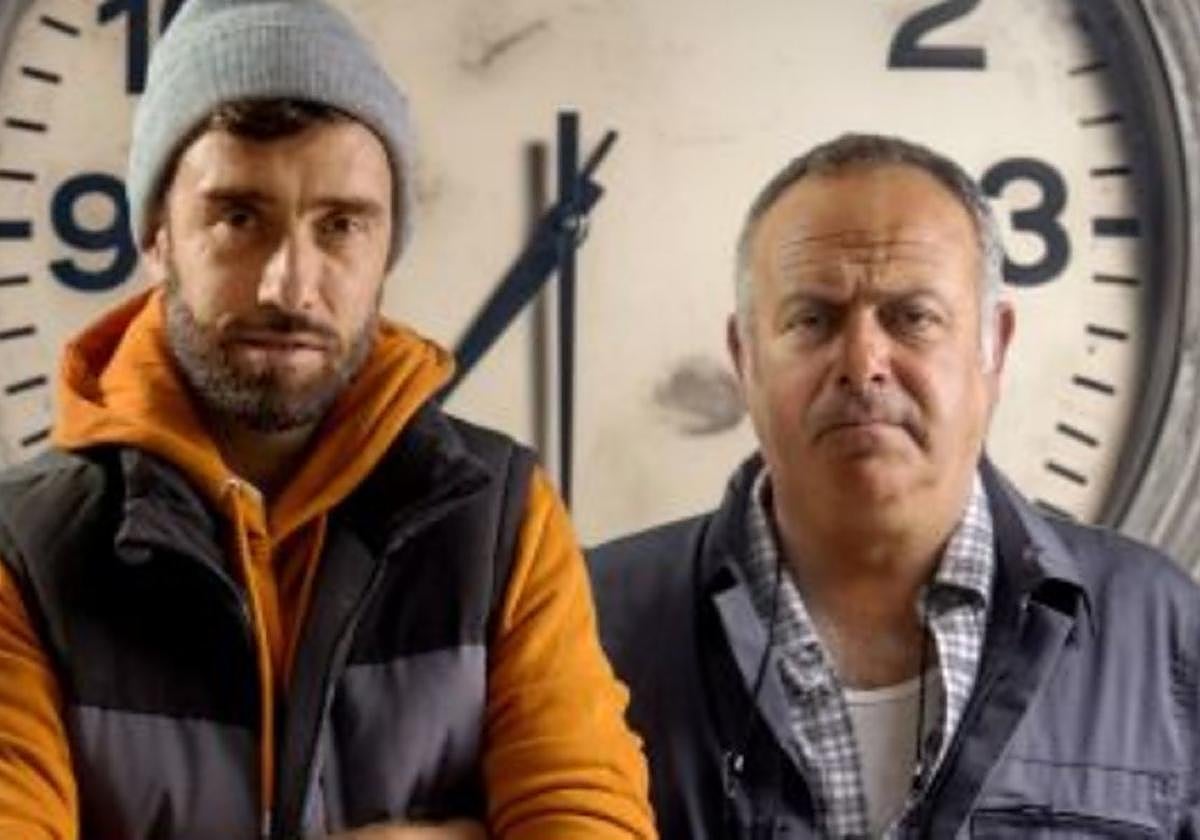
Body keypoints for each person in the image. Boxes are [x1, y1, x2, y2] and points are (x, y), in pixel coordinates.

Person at [0, 1, 655, 838]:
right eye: (239, 218)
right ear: (158, 237)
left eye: (340, 225)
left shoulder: (503, 520)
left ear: (387, 248)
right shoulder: (23, 550)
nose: (290, 286)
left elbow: (590, 818)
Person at [588, 133, 1200, 838]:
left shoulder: (1162, 632)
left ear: (994, 345)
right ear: (745, 356)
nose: (863, 362)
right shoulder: (589, 625)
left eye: (914, 318)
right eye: (812, 319)